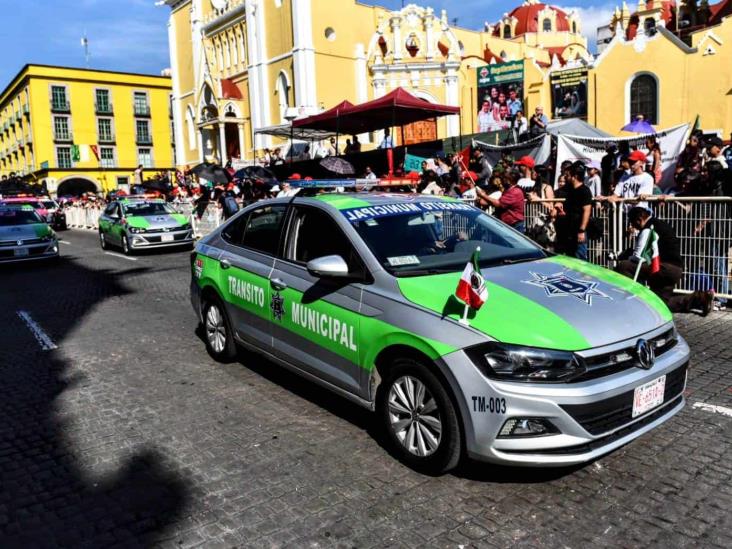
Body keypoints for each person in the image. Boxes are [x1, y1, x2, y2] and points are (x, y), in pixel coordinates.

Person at [616, 207, 714, 315]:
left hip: (664, 268)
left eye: (632, 223)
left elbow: (639, 257)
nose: (632, 226)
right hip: (676, 269)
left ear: (639, 219)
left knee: (624, 266)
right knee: (659, 304)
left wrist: (625, 258)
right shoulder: (659, 224)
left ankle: (626, 300)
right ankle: (700, 299)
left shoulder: (648, 228)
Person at [555, 161, 592, 260]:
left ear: (574, 176)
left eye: (567, 175)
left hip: (578, 230)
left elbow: (586, 211)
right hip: (569, 230)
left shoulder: (584, 191)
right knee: (570, 257)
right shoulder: (570, 190)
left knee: (580, 257)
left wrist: (581, 230)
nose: (565, 177)